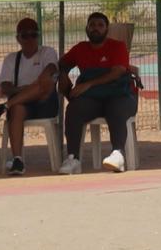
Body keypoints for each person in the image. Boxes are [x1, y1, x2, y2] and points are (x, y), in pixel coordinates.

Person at [56, 11, 139, 175]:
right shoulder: (80, 49)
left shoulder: (118, 46)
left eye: (100, 25)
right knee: (74, 109)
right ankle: (73, 159)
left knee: (116, 109)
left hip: (120, 96)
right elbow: (62, 64)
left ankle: (118, 154)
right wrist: (63, 75)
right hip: (93, 100)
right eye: (92, 25)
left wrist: (87, 84)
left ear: (107, 29)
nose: (96, 28)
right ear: (86, 29)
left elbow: (117, 72)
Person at [0, 17, 59, 176]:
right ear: (18, 38)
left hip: (45, 103)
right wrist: (23, 90)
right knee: (17, 108)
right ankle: (17, 159)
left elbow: (51, 68)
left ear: (38, 36)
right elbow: (5, 86)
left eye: (33, 35)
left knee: (44, 83)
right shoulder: (11, 59)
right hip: (21, 104)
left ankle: (4, 107)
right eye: (25, 35)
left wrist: (41, 78)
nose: (29, 39)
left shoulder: (47, 52)